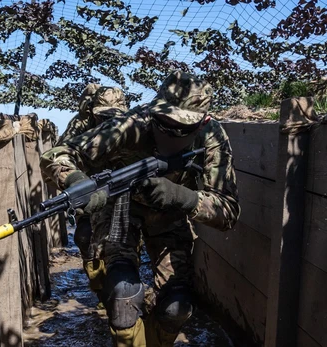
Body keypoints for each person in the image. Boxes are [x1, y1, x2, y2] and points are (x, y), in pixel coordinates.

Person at [40, 70, 241, 346]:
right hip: (121, 207)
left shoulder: (212, 137)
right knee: (122, 294)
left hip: (170, 214)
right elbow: (57, 154)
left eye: (181, 129)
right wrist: (78, 182)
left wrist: (183, 197)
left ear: (202, 123)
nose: (170, 134)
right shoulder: (132, 123)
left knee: (176, 307)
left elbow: (228, 211)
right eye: (163, 123)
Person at [46, 83, 129, 300]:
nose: (109, 121)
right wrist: (75, 179)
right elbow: (61, 153)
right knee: (84, 237)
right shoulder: (81, 124)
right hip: (90, 183)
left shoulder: (133, 124)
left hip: (122, 187)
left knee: (121, 244)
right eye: (103, 116)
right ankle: (98, 284)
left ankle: (117, 291)